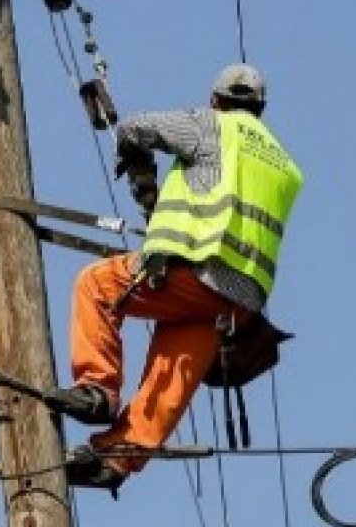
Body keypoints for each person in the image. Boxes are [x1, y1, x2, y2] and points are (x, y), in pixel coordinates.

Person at [53, 63, 303, 491]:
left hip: (198, 273)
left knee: (95, 285)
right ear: (260, 108)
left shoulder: (211, 125)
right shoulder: (284, 163)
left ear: (216, 100)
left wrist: (138, 164)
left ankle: (98, 391)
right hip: (239, 302)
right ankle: (116, 460)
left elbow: (136, 128)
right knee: (173, 371)